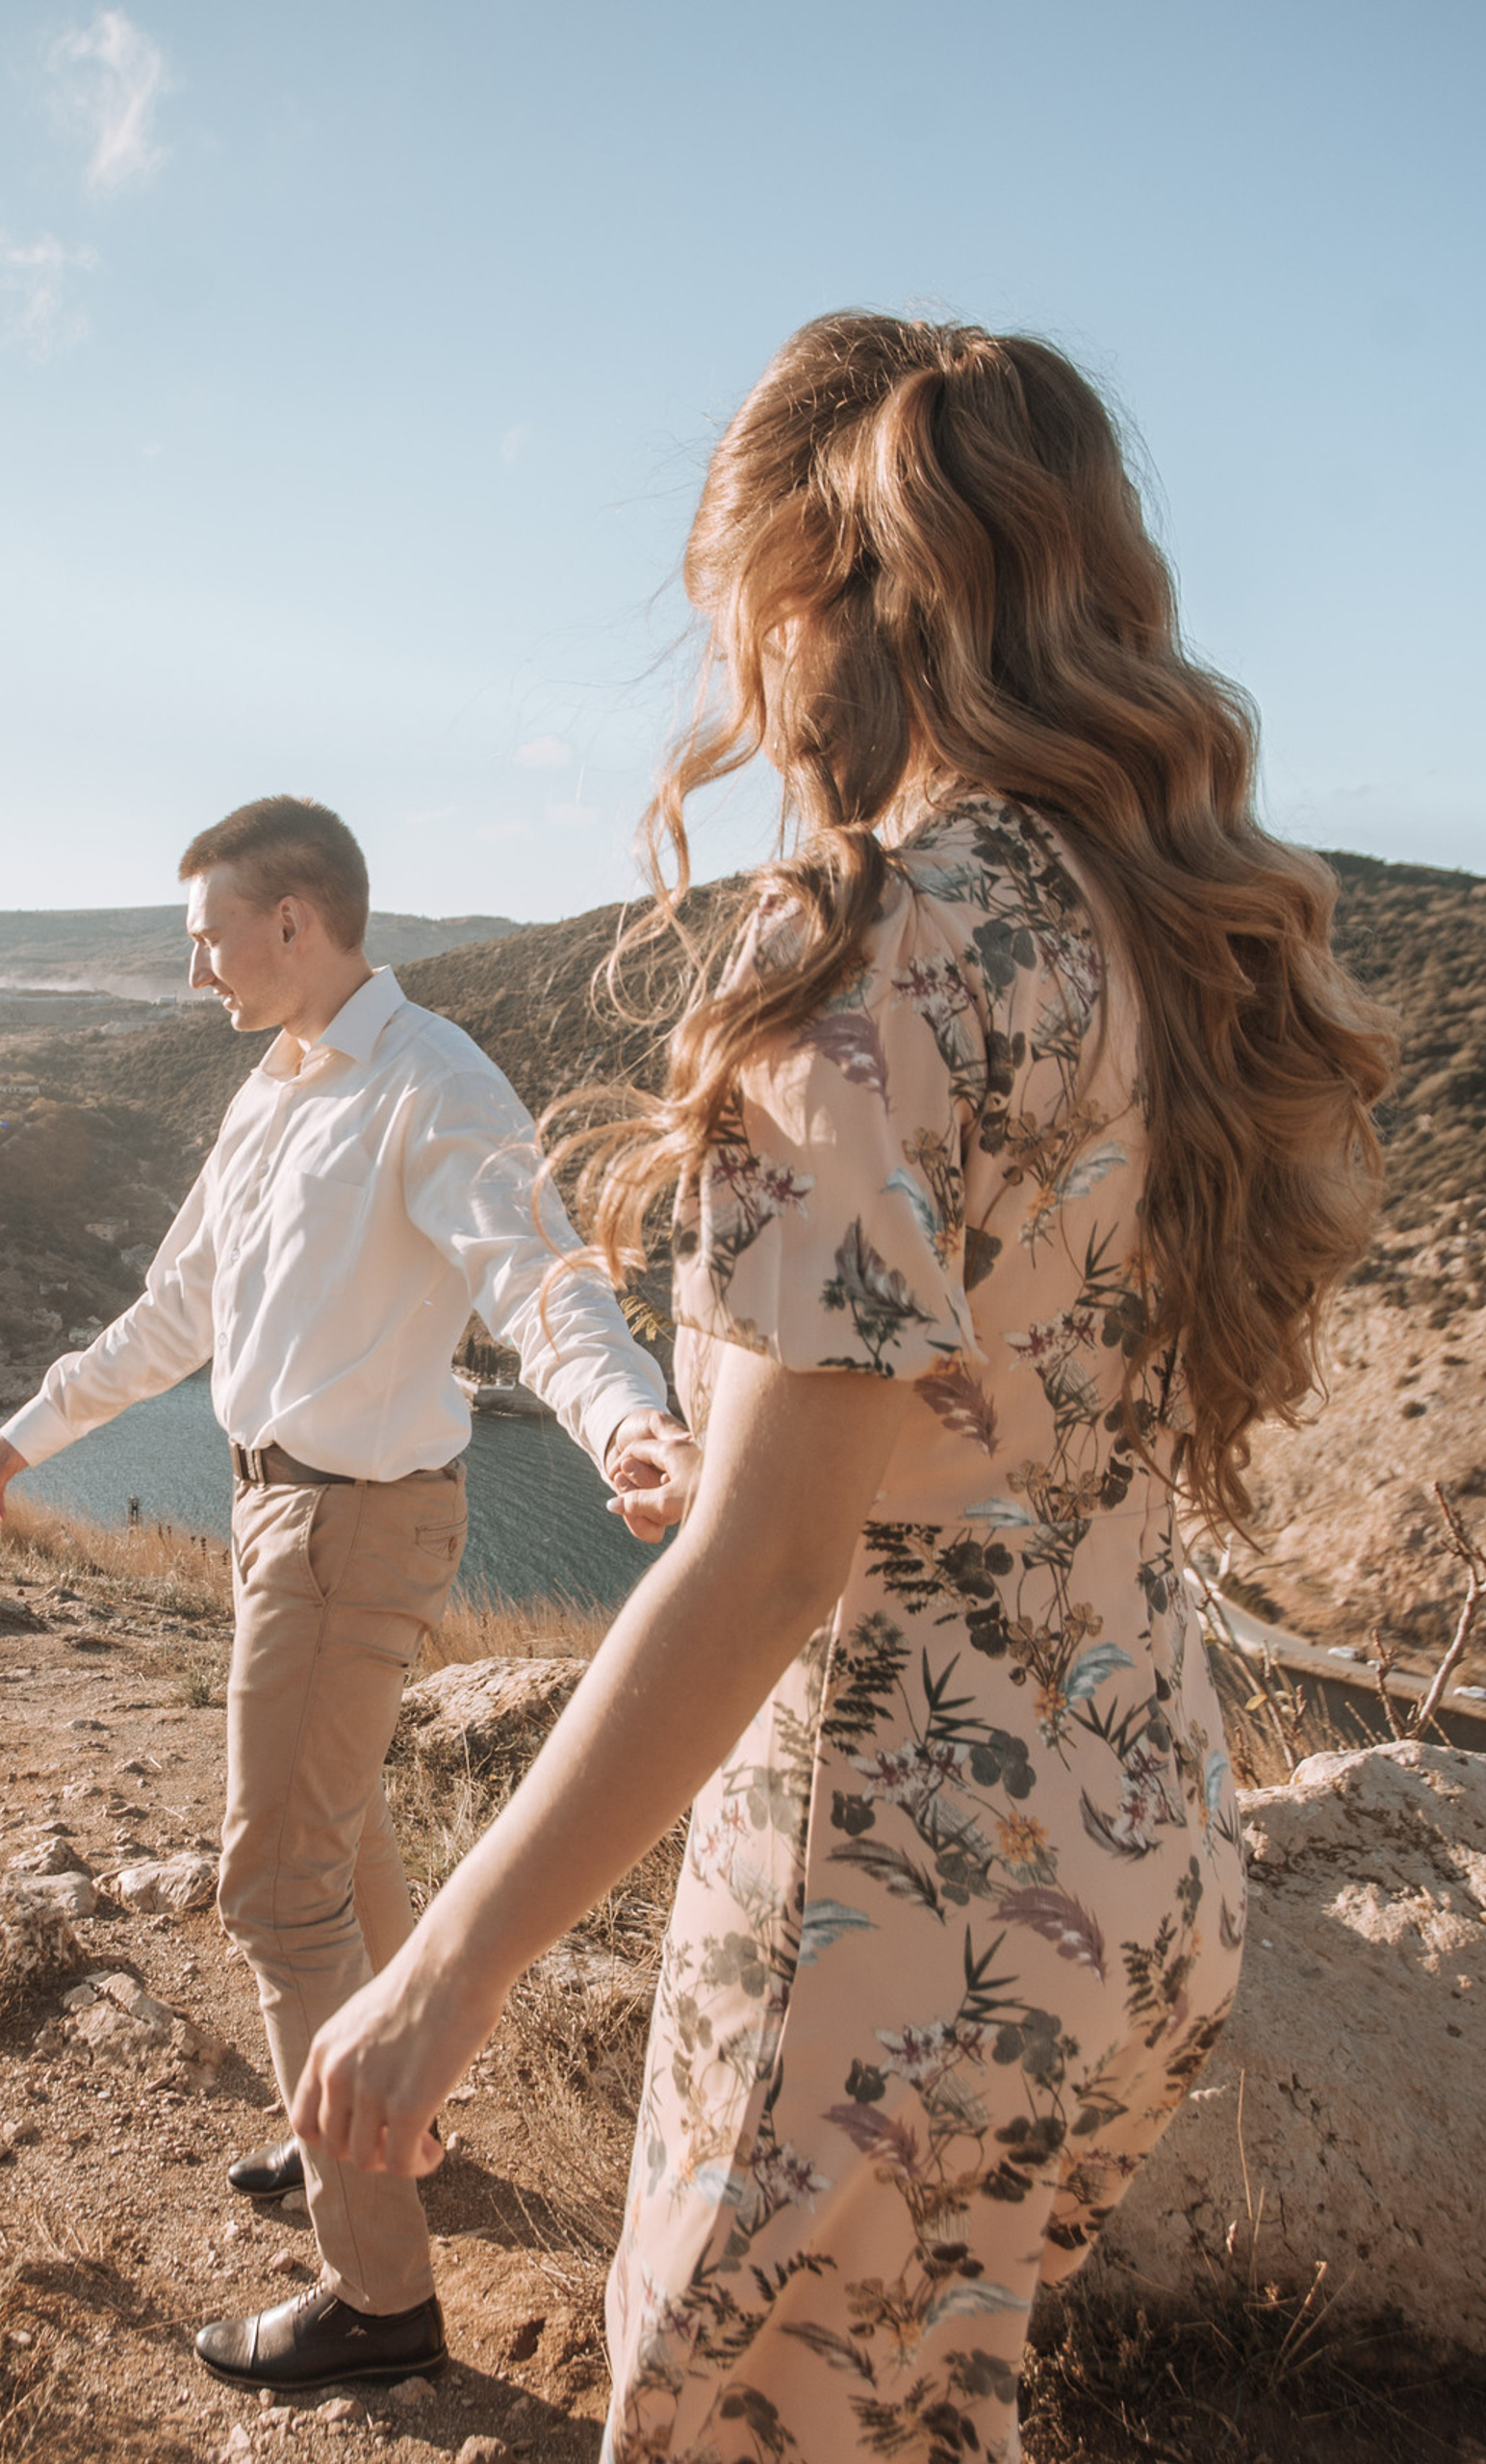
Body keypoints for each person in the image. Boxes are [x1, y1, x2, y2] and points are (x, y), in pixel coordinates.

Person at [289, 314, 1396, 2461]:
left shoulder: (870, 937)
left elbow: (774, 1563)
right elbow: (1004, 1400)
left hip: (881, 1905)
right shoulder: (1177, 928)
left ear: (810, 593)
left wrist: (437, 1971)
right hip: (1133, 1855)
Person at [0, 794, 680, 2393]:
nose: (194, 969)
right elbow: (173, 1314)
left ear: (299, 921)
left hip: (356, 1529)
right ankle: (374, 2126)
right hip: (275, 1512)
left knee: (275, 1891)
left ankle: (378, 2300)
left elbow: (539, 1280)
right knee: (341, 1854)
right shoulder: (271, 1094)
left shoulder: (433, 1084)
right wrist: (26, 1431)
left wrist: (631, 1421)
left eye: (209, 937)